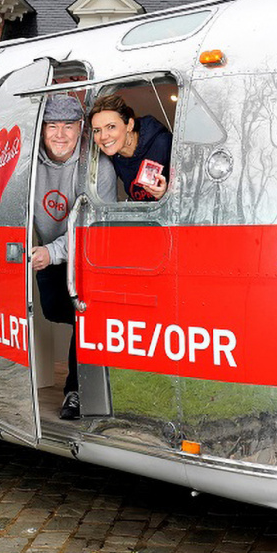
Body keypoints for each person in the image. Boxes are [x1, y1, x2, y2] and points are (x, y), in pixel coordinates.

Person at [33, 94, 116, 419]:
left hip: (86, 255)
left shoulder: (97, 168)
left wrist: (51, 253)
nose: (60, 135)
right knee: (55, 309)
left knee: (85, 318)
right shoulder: (31, 164)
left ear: (81, 128)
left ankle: (75, 392)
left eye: (68, 126)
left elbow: (88, 229)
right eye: (52, 126)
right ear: (41, 130)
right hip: (49, 249)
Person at [89, 94, 173, 202]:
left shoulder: (164, 144)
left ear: (130, 125)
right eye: (97, 130)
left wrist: (166, 195)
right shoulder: (114, 156)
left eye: (111, 127)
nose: (103, 136)